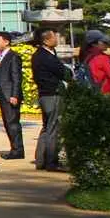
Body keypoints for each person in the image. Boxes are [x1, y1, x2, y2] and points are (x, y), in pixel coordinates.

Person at [31, 28, 71, 171]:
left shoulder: (40, 55)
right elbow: (63, 72)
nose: (57, 39)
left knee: (47, 127)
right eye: (54, 36)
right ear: (46, 40)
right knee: (53, 128)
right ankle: (51, 162)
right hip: (51, 94)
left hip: (45, 95)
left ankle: (41, 160)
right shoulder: (45, 57)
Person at [0, 31, 25, 159]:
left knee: (12, 123)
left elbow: (17, 77)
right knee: (8, 122)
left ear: (6, 42)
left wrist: (14, 95)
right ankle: (14, 148)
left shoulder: (13, 56)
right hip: (1, 93)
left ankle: (17, 150)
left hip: (9, 94)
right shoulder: (1, 56)